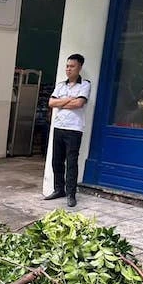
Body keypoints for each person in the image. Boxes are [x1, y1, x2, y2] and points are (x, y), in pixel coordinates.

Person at [45, 53, 91, 208]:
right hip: (59, 126)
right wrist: (68, 100)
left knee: (71, 162)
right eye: (67, 66)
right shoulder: (61, 85)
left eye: (72, 66)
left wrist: (61, 102)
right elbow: (51, 102)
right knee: (56, 160)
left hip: (74, 129)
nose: (68, 69)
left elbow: (79, 104)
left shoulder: (85, 84)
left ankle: (71, 193)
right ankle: (59, 189)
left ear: (79, 67)